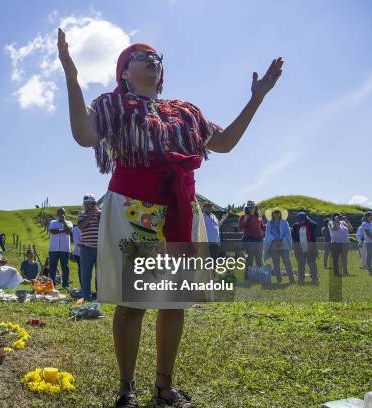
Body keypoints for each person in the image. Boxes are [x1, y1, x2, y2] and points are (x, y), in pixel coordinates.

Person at [58, 27, 282, 407]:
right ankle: (126, 387)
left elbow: (223, 143)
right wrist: (71, 75)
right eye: (141, 57)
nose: (152, 61)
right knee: (132, 302)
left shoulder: (185, 111)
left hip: (179, 208)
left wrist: (256, 99)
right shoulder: (112, 105)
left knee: (173, 299)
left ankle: (164, 385)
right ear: (124, 73)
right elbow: (84, 135)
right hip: (135, 209)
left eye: (156, 58)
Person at [77, 194, 101, 300]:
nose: (86, 206)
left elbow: (104, 226)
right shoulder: (81, 214)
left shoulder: (101, 213)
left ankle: (99, 296)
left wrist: (97, 213)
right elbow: (81, 227)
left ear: (93, 203)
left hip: (100, 248)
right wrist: (91, 214)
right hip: (86, 248)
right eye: (85, 204)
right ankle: (86, 295)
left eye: (89, 203)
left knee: (99, 274)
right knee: (85, 273)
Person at [263, 207, 294, 284]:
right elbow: (267, 234)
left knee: (287, 262)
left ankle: (292, 279)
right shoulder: (269, 223)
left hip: (284, 244)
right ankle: (279, 280)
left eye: (278, 212)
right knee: (276, 263)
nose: (276, 213)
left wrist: (282, 240)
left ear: (280, 213)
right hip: (273, 244)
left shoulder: (285, 222)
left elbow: (288, 233)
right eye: (275, 212)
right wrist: (274, 239)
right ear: (272, 214)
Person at [238, 201, 265, 279]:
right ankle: (247, 277)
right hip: (248, 240)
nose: (251, 208)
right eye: (249, 207)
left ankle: (260, 276)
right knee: (249, 259)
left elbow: (262, 226)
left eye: (253, 207)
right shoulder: (243, 216)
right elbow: (240, 227)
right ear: (247, 208)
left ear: (255, 207)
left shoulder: (259, 216)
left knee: (259, 259)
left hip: (259, 240)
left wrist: (269, 225)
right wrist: (245, 220)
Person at [291, 212, 319, 285]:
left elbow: (316, 225)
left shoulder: (311, 225)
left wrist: (309, 219)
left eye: (303, 218)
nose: (301, 220)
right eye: (300, 219)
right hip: (300, 249)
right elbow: (293, 237)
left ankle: (314, 279)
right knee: (301, 264)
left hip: (310, 248)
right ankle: (300, 279)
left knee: (312, 264)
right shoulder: (295, 226)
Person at [48, 208, 73, 288]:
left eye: (63, 213)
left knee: (65, 268)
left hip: (64, 249)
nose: (62, 214)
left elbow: (69, 231)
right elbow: (52, 231)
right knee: (52, 268)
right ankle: (52, 285)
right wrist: (64, 230)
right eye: (60, 213)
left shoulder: (69, 222)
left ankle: (65, 285)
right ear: (57, 214)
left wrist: (64, 222)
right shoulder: (53, 222)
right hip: (53, 249)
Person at [328, 212, 353, 276]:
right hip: (336, 243)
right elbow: (334, 228)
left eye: (340, 216)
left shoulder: (343, 222)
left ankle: (345, 271)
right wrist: (335, 221)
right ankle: (336, 271)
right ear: (334, 217)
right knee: (336, 258)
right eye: (338, 216)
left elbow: (351, 229)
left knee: (344, 257)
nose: (340, 217)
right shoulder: (331, 223)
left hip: (345, 243)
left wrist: (346, 220)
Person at [360, 211, 372, 276]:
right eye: (371, 216)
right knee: (370, 256)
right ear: (367, 217)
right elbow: (368, 234)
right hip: (369, 242)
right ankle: (370, 270)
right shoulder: (364, 224)